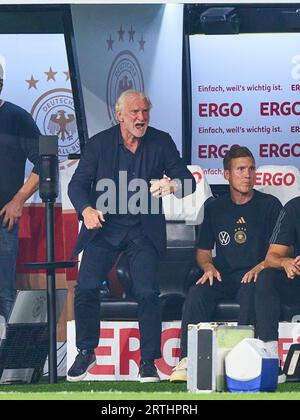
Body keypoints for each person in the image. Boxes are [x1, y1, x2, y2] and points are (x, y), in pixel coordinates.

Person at [67, 89, 196, 382]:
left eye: (145, 112)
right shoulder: (99, 145)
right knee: (86, 287)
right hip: (104, 227)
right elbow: (76, 186)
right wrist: (86, 209)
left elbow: (187, 181)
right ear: (120, 115)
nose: (141, 118)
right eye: (135, 113)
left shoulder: (161, 141)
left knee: (147, 292)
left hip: (142, 231)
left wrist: (172, 185)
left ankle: (148, 361)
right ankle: (86, 351)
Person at [169, 145, 282, 382]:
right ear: (227, 175)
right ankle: (188, 359)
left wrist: (261, 267)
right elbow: (202, 252)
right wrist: (208, 267)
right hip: (223, 274)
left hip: (256, 274)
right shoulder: (214, 207)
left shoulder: (270, 205)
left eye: (251, 169)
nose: (247, 175)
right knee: (197, 292)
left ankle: (244, 358)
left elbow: (281, 251)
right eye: (240, 169)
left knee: (253, 289)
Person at [0, 63, 40, 320]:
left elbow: (44, 162)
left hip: (3, 219)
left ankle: (8, 356)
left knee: (4, 292)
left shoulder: (17, 118)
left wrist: (18, 199)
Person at [255, 196, 300, 384]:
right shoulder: (294, 207)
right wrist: (286, 262)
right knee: (267, 277)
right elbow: (271, 257)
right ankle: (271, 356)